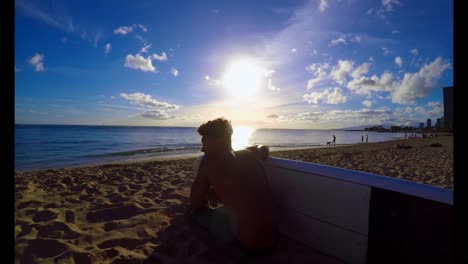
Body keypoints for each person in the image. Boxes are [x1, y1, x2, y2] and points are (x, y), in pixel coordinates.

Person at [187, 117, 278, 259]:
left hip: (248, 245)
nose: (202, 148)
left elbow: (195, 202)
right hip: (272, 238)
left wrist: (209, 193)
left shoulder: (209, 161)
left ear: (219, 141)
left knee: (192, 213)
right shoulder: (249, 155)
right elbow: (262, 148)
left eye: (205, 142)